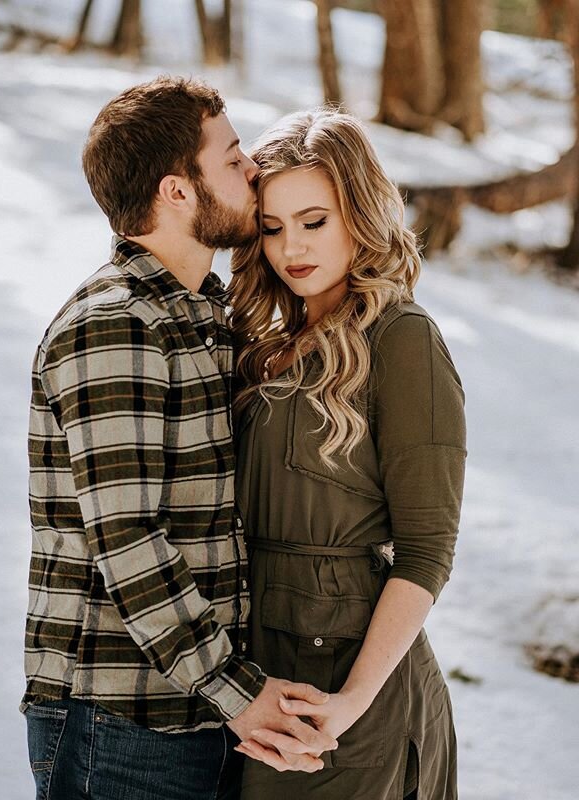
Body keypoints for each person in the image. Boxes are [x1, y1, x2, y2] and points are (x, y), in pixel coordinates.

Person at [21, 78, 337, 800]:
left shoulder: (198, 317)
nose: (253, 170)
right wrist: (241, 694)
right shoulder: (115, 323)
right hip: (121, 721)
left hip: (195, 710)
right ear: (177, 191)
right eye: (231, 160)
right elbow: (128, 539)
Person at [228, 109, 467, 800]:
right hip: (253, 675)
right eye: (271, 226)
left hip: (346, 693)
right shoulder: (265, 345)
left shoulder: (403, 339)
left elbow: (426, 551)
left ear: (359, 215)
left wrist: (351, 703)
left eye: (314, 220)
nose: (290, 247)